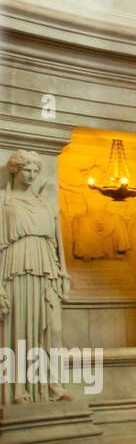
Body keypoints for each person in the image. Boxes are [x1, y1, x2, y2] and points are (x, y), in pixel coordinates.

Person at [1, 151, 72, 403]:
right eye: (26, 170)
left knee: (53, 328)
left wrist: (63, 272)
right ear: (14, 170)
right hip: (16, 266)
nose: (31, 175)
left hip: (46, 267)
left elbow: (57, 242)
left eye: (35, 171)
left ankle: (54, 385)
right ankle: (17, 388)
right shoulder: (3, 202)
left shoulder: (45, 203)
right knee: (18, 329)